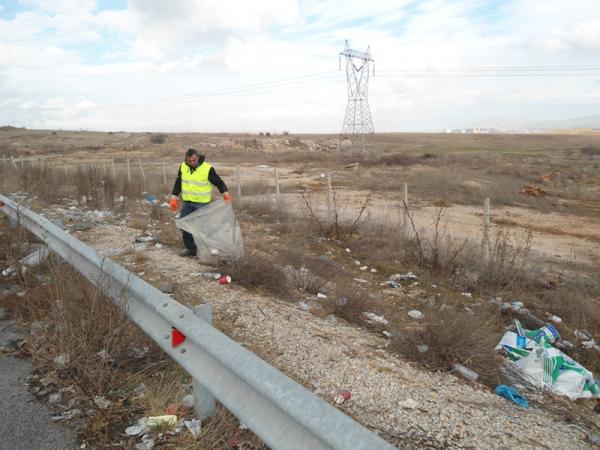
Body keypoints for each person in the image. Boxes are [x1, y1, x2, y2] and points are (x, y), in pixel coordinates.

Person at [171, 148, 232, 257]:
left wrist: (225, 194)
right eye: (189, 161)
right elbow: (178, 182)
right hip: (187, 203)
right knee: (184, 225)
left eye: (194, 160)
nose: (191, 163)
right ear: (186, 159)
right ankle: (192, 249)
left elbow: (219, 182)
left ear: (198, 158)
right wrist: (174, 197)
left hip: (202, 204)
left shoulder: (207, 169)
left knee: (203, 229)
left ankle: (206, 250)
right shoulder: (183, 166)